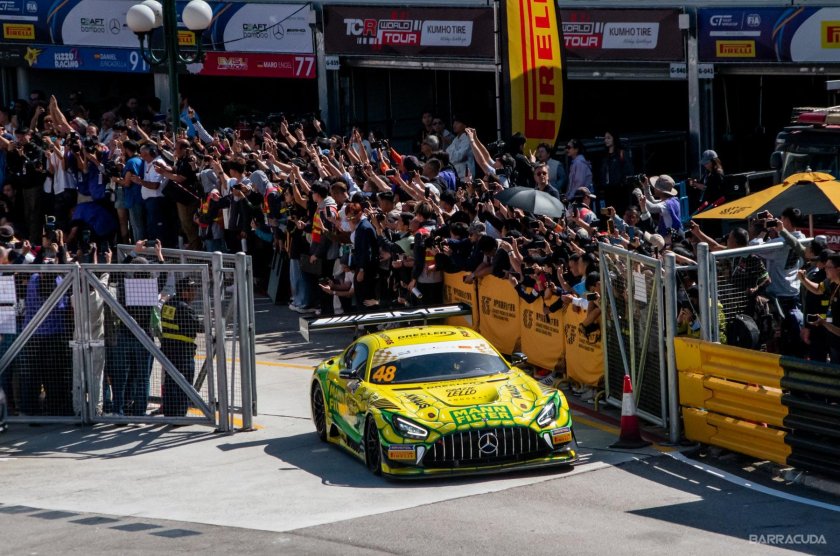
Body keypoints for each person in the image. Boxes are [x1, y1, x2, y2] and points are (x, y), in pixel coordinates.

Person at [160, 277, 201, 417]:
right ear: (184, 291)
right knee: (184, 383)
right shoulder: (184, 308)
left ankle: (169, 412)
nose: (195, 293)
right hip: (183, 352)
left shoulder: (168, 304)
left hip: (168, 350)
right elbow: (198, 327)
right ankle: (180, 414)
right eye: (192, 290)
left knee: (171, 382)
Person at [599, 131, 634, 210]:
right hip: (608, 190)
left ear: (614, 139)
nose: (606, 140)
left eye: (608, 138)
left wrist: (622, 184)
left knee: (620, 211)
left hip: (620, 190)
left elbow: (628, 171)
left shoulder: (621, 153)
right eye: (605, 138)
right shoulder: (605, 155)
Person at [642, 175, 683, 240]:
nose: (654, 188)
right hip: (674, 234)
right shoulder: (672, 200)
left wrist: (639, 195)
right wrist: (646, 186)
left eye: (656, 187)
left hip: (671, 237)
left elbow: (651, 208)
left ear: (660, 190)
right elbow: (652, 201)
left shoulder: (667, 204)